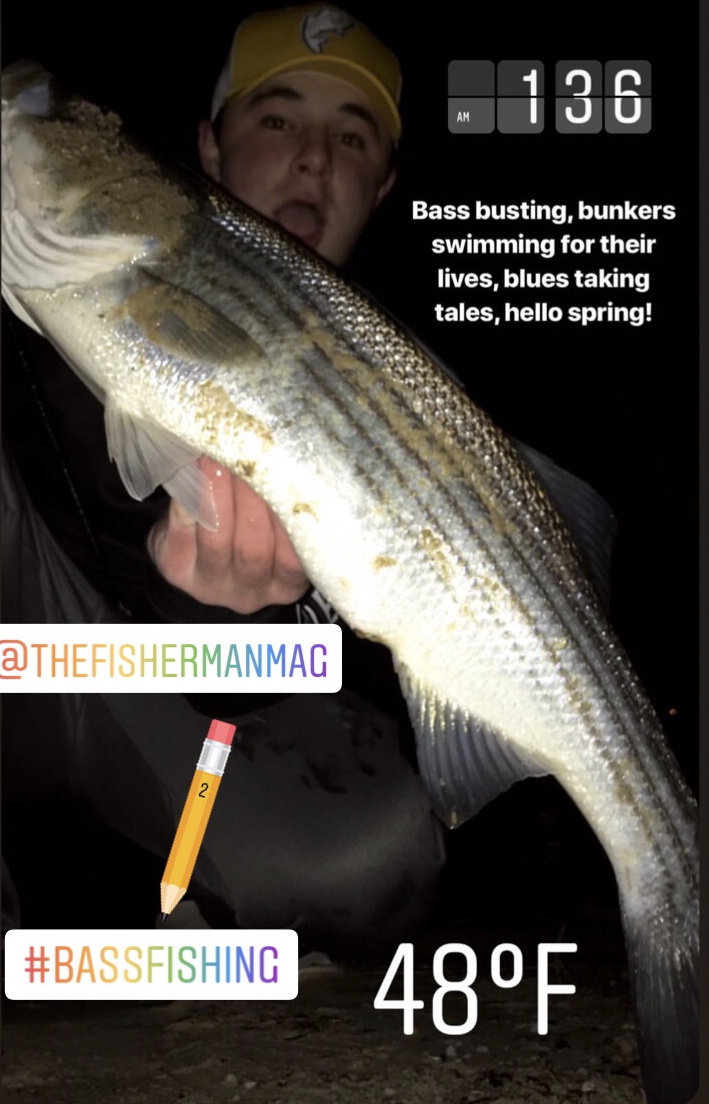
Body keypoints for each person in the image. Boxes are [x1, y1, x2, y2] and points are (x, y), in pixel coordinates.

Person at [1, 5, 447, 950]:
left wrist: (224, 622)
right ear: (207, 147)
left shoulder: (414, 403)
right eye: (277, 118)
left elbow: (353, 694)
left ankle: (165, 899)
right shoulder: (63, 259)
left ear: (383, 184)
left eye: (352, 137)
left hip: (172, 719)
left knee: (368, 858)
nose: (313, 158)